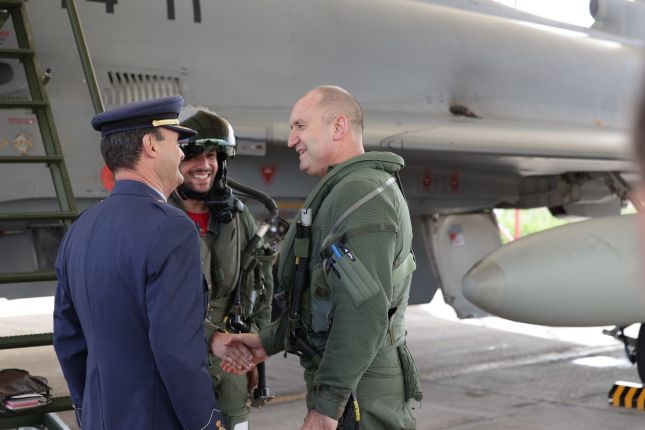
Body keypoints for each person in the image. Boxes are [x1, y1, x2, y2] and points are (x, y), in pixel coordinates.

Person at [221, 86, 422, 429]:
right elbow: (319, 298)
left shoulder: (361, 194)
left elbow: (363, 312)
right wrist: (265, 342)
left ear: (338, 126)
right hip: (354, 389)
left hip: (361, 397)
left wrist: (327, 406)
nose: (291, 140)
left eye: (300, 126)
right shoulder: (346, 190)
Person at [53, 96, 226, 430]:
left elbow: (68, 339)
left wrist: (88, 408)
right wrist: (207, 423)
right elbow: (177, 350)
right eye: (176, 142)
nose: (181, 153)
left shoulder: (81, 228)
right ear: (151, 145)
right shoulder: (173, 229)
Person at [170, 107, 276, 430]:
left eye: (212, 155)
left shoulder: (238, 218)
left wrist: (253, 347)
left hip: (231, 364)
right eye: (193, 156)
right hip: (175, 360)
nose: (204, 165)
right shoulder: (158, 218)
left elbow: (260, 284)